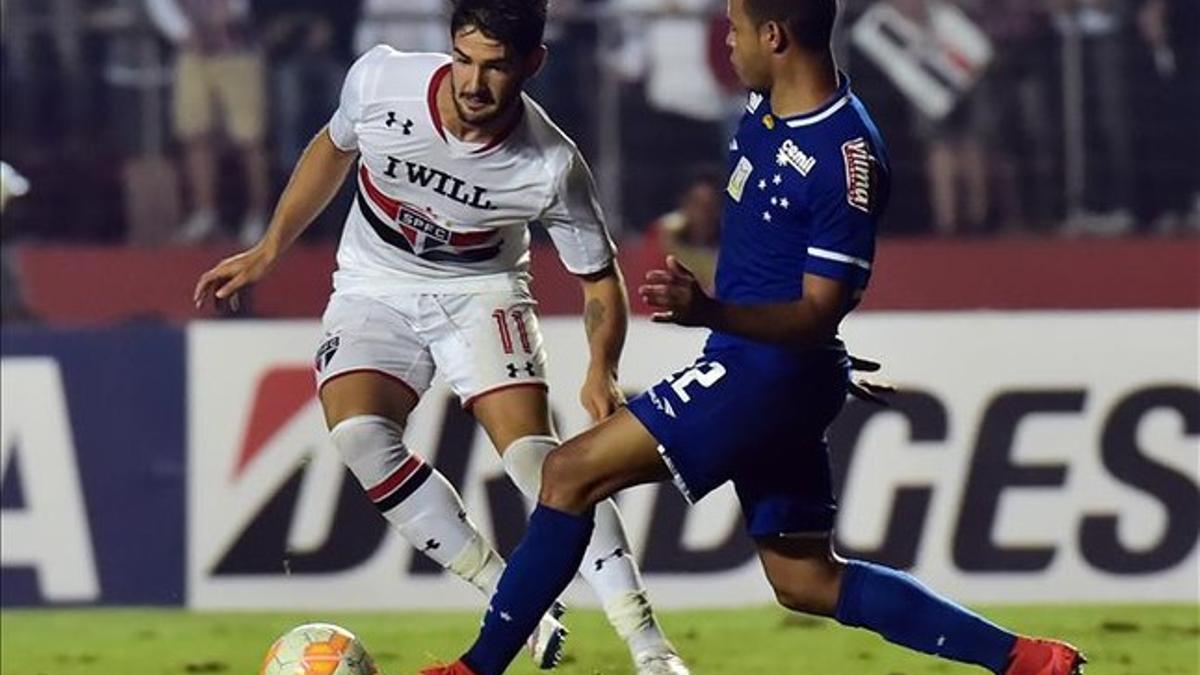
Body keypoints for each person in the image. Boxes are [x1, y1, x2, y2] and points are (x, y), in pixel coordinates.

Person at [420, 1, 1087, 674]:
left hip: (763, 371)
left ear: (774, 36)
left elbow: (818, 309)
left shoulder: (844, 159)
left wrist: (715, 315)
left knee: (568, 473)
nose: (727, 45)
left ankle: (476, 667)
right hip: (779, 367)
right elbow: (790, 290)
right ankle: (1030, 659)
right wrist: (814, 356)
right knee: (806, 579)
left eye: (735, 31)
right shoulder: (765, 109)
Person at [192, 2, 689, 673]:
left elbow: (601, 280)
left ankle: (649, 645)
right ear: (448, 47)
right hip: (375, 282)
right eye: (464, 58)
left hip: (482, 293)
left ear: (532, 65)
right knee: (360, 434)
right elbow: (334, 148)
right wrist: (269, 248)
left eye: (496, 66)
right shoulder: (382, 82)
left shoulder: (550, 165)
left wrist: (602, 368)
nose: (474, 83)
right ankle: (510, 596)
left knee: (543, 466)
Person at [146, 0, 272, 245]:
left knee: (249, 138)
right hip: (192, 54)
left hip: (237, 51)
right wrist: (183, 32)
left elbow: (239, 9)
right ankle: (205, 213)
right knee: (195, 134)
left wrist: (224, 19)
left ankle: (259, 215)